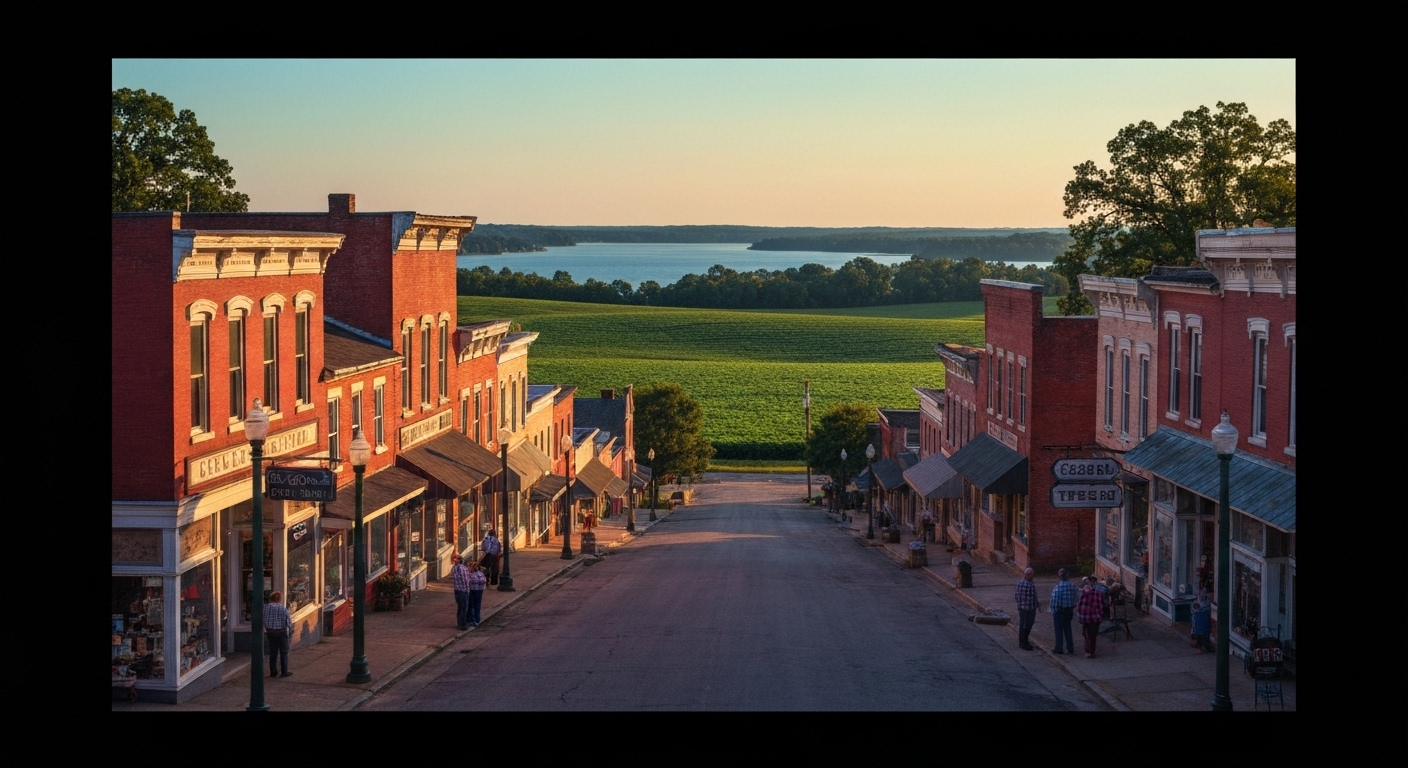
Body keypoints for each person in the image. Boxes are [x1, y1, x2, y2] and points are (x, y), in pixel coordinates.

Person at [1077, 577, 1110, 658]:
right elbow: (1100, 606)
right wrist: (1100, 615)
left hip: (1085, 617)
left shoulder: (1083, 594)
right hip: (1095, 618)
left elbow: (1080, 606)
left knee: (1086, 635)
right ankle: (1092, 651)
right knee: (1093, 636)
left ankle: (1088, 651)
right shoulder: (1098, 593)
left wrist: (1080, 615)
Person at [264, 591, 294, 678]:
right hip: (281, 632)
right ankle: (284, 671)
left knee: (273, 652)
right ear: (279, 599)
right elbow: (288, 622)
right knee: (283, 652)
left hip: (270, 632)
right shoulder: (282, 609)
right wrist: (290, 631)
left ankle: (273, 671)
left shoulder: (265, 608)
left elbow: (263, 618)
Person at [1050, 568, 1078, 655]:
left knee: (1058, 630)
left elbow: (1054, 600)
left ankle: (1059, 648)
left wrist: (1053, 610)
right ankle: (1070, 649)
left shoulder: (1058, 587)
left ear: (1060, 577)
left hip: (1059, 611)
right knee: (1068, 629)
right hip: (1069, 611)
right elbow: (1076, 598)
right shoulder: (1072, 586)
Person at [1014, 567, 1038, 651]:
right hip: (1029, 608)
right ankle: (1024, 642)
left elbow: (1016, 595)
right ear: (1028, 575)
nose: (1033, 577)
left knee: (1022, 625)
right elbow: (1033, 597)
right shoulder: (1030, 584)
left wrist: (1019, 604)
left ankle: (1022, 642)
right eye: (1032, 575)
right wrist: (1036, 606)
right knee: (1028, 625)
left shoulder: (1019, 582)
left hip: (1021, 607)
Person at [450, 553, 473, 631]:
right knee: (463, 607)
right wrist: (468, 589)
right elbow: (465, 580)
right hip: (463, 590)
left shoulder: (454, 568)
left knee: (460, 607)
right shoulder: (463, 569)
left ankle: (460, 622)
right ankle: (462, 624)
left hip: (457, 589)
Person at [467, 557, 488, 626]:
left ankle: (474, 619)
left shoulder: (472, 574)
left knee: (473, 605)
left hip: (474, 591)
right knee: (477, 604)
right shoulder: (480, 574)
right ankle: (476, 618)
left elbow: (469, 581)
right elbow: (484, 581)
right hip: (479, 591)